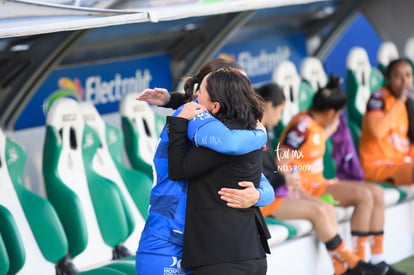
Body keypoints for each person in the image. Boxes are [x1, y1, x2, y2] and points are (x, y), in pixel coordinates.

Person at [135, 58, 274, 275]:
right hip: (169, 237)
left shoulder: (226, 129)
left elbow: (262, 183)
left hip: (202, 244)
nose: (244, 96)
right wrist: (260, 134)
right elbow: (230, 143)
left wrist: (256, 195)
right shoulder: (196, 118)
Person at [255, 82, 391, 275]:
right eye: (280, 110)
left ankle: (351, 266)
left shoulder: (307, 125)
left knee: (371, 193)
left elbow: (310, 144)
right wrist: (289, 182)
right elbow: (282, 159)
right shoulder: (299, 125)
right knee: (361, 197)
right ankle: (356, 264)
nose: (280, 116)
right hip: (289, 192)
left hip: (293, 188)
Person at [360, 58, 414, 186]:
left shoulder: (409, 103)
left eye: (408, 75)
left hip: (401, 163)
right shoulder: (379, 98)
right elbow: (377, 131)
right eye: (397, 76)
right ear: (388, 80)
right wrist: (400, 100)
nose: (404, 81)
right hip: (377, 166)